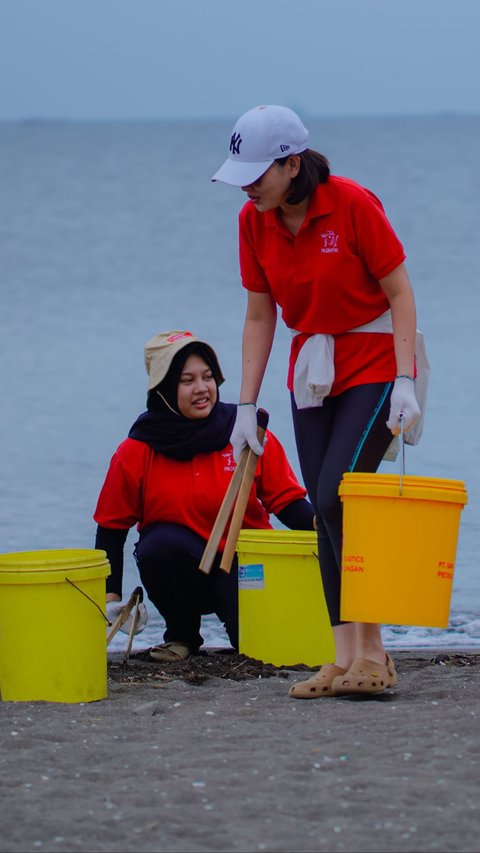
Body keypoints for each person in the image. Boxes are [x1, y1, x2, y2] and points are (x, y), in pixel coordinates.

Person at [212, 104, 424, 697]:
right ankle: (341, 657)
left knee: (339, 496)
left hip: (378, 358)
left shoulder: (352, 202)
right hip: (313, 370)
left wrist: (405, 380)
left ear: (292, 164)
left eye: (257, 175)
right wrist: (245, 407)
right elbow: (260, 314)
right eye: (241, 176)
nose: (248, 188)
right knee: (323, 510)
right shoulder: (253, 221)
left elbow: (400, 291)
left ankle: (375, 654)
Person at [94, 330, 315, 662]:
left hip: (244, 570)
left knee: (261, 650)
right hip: (180, 568)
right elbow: (111, 530)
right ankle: (182, 635)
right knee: (159, 546)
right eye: (187, 380)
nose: (201, 388)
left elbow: (286, 502)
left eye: (208, 377)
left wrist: (327, 525)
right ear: (165, 389)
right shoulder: (137, 450)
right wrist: (111, 600)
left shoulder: (245, 432)